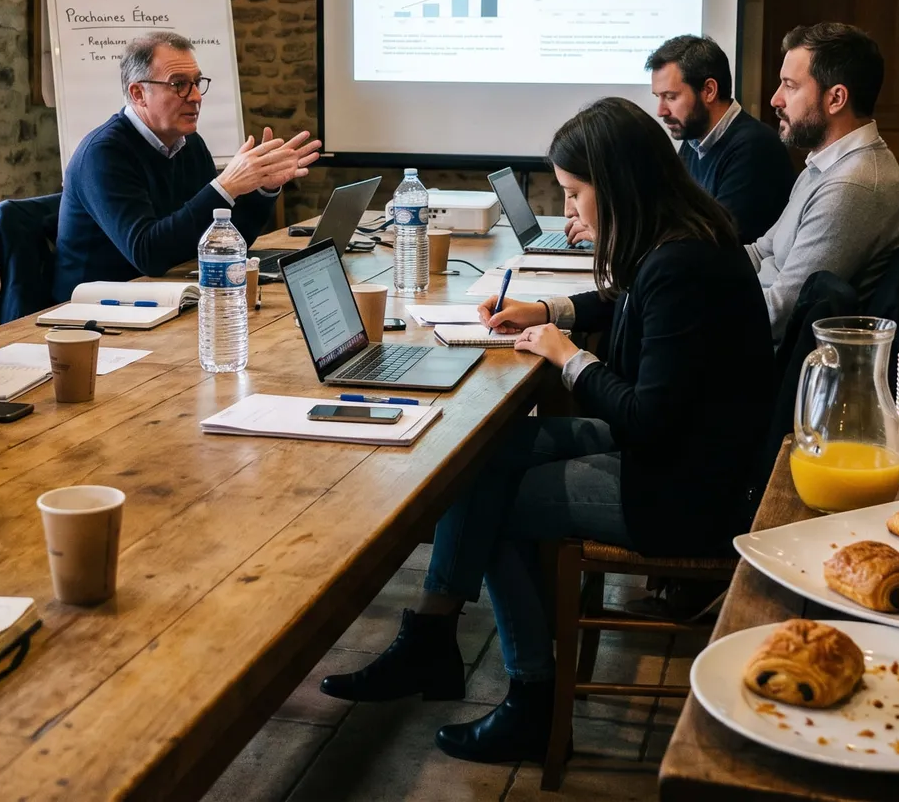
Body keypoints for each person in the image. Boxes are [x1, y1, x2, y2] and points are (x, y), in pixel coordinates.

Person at [319, 98, 775, 763]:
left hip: (681, 489)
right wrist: (549, 308)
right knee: (483, 456)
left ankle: (525, 695)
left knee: (492, 497)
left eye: (575, 194)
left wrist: (569, 358)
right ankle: (432, 638)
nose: (571, 213)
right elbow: (630, 298)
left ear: (617, 184)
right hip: (685, 456)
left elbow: (648, 416)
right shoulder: (684, 239)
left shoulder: (681, 264)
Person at [53, 32, 321, 296]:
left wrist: (265, 189)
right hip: (95, 312)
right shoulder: (103, 153)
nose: (195, 96)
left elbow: (221, 239)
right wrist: (226, 186)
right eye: (179, 84)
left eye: (197, 82)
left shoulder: (190, 144)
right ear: (138, 93)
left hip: (167, 295)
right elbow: (148, 254)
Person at [751, 22, 899, 336]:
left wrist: (696, 310)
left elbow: (781, 314)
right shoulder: (824, 164)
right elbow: (763, 252)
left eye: (790, 85)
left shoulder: (851, 186)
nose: (776, 100)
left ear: (836, 98)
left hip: (773, 362)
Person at [647, 34, 791, 243]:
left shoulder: (755, 147)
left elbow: (716, 239)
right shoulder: (693, 142)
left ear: (709, 90)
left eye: (671, 97)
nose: (660, 111)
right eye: (657, 97)